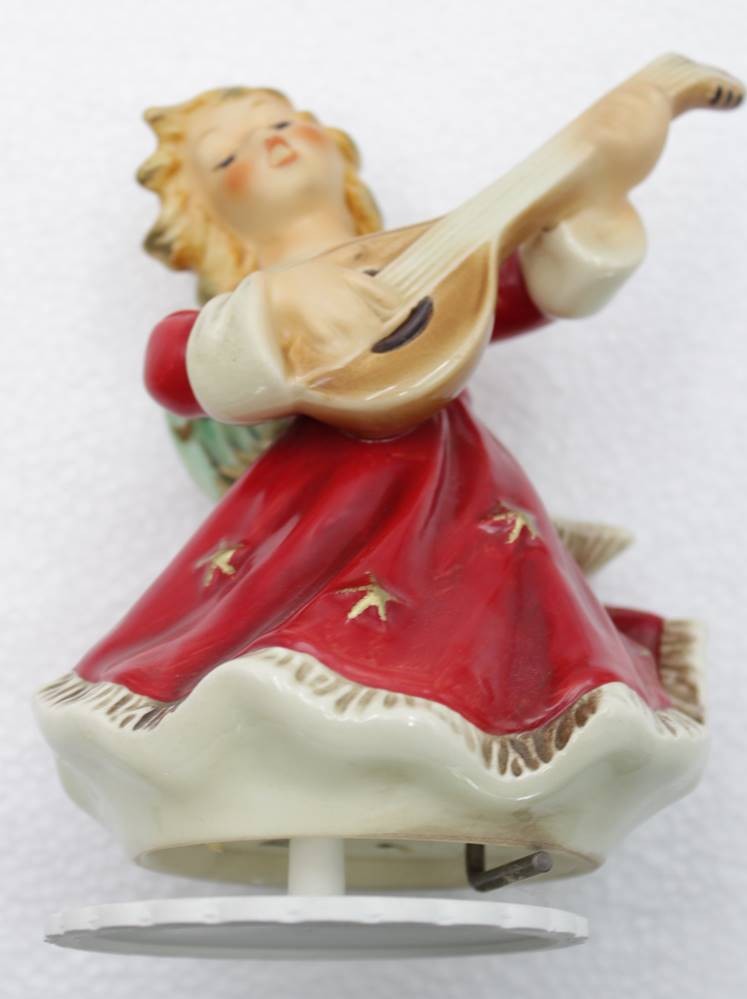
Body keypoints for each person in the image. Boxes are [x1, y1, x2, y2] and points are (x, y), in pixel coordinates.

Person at [35, 86, 706, 888]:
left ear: (337, 151)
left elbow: (531, 289)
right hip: (319, 495)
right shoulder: (244, 305)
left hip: (457, 491)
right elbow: (173, 367)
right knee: (294, 630)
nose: (271, 141)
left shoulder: (427, 260)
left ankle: (468, 769)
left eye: (284, 122)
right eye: (228, 154)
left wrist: (595, 200)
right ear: (209, 215)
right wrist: (279, 307)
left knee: (478, 629)